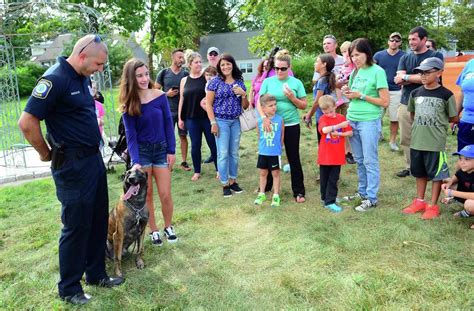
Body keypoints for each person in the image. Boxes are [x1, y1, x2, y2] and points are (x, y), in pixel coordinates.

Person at [18, 34, 123, 305]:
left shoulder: (82, 77)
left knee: (98, 219)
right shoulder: (55, 79)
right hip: (72, 164)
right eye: (99, 64)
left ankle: (96, 274)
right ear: (83, 55)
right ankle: (69, 288)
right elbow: (27, 122)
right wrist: (45, 153)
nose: (101, 69)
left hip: (93, 159)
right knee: (76, 225)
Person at [119, 58, 178, 246]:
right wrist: (135, 161)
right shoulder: (128, 104)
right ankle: (154, 230)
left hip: (161, 150)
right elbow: (131, 136)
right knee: (148, 195)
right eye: (139, 76)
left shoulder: (159, 95)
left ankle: (168, 226)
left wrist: (171, 150)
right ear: (131, 78)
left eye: (146, 74)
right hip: (142, 153)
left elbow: (169, 125)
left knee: (165, 193)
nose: (144, 79)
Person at [401, 57, 458, 219]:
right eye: (420, 73)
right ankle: (419, 201)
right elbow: (412, 114)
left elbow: (453, 117)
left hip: (435, 143)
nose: (423, 76)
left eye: (427, 72)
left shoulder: (446, 95)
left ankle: (433, 205)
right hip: (417, 141)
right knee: (419, 173)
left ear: (439, 73)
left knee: (436, 175)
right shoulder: (415, 93)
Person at [341, 38, 389, 212]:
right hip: (352, 118)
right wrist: (348, 93)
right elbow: (353, 96)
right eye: (352, 55)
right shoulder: (355, 72)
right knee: (359, 160)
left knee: (370, 160)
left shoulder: (378, 72)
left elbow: (384, 102)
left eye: (357, 55)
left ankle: (372, 198)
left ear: (367, 54)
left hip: (368, 121)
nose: (354, 59)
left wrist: (361, 96)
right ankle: (362, 193)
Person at [394, 26, 444, 178]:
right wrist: (421, 77)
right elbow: (397, 80)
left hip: (430, 102)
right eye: (409, 39)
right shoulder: (405, 58)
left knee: (429, 136)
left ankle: (431, 168)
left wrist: (407, 77)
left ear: (424, 39)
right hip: (406, 102)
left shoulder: (435, 55)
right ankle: (411, 167)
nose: (411, 42)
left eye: (414, 39)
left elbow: (433, 78)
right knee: (406, 137)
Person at [259, 51, 307, 203]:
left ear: (289, 67)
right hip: (271, 126)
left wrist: (292, 98)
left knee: (293, 157)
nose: (279, 71)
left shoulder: (296, 83)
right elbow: (260, 103)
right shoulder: (268, 82)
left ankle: (298, 191)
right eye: (276, 68)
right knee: (269, 156)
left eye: (283, 68)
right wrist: (264, 118)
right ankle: (266, 187)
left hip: (291, 124)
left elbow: (304, 105)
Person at [206, 53, 249, 197]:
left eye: (228, 64)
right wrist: (213, 123)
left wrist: (243, 94)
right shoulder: (215, 82)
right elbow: (209, 105)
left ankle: (233, 181)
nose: (225, 67)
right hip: (220, 121)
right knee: (223, 153)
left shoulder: (239, 81)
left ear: (233, 65)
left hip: (235, 121)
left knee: (234, 153)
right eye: (223, 64)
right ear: (219, 67)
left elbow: (245, 106)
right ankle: (224, 184)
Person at [178, 52, 217, 181]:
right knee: (195, 145)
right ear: (189, 64)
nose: (199, 64)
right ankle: (197, 171)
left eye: (200, 62)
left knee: (212, 143)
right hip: (191, 118)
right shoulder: (184, 80)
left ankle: (219, 170)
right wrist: (180, 118)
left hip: (206, 117)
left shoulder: (206, 77)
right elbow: (182, 100)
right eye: (196, 62)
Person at [156, 48, 191, 171]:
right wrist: (166, 94)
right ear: (173, 58)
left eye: (183, 57)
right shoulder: (164, 73)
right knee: (167, 137)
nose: (182, 59)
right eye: (179, 57)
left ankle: (184, 162)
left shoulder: (186, 74)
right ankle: (167, 163)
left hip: (182, 111)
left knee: (183, 136)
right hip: (167, 111)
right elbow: (155, 91)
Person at [317, 95, 352, 213]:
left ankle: (330, 199)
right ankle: (327, 200)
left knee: (333, 178)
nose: (329, 114)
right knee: (324, 178)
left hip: (337, 155)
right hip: (325, 155)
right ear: (322, 111)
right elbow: (324, 130)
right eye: (326, 112)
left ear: (335, 106)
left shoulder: (341, 117)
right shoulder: (323, 119)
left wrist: (340, 133)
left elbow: (350, 132)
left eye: (331, 111)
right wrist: (338, 127)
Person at [374, 32, 406, 152]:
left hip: (396, 91)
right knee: (377, 116)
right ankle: (378, 135)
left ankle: (392, 141)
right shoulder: (378, 55)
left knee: (394, 118)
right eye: (392, 40)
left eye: (397, 41)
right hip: (380, 91)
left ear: (400, 43)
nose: (394, 42)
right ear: (388, 41)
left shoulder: (404, 56)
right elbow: (372, 70)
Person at [254, 94, 284, 207]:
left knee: (275, 173)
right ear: (263, 108)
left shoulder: (280, 120)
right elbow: (259, 136)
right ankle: (262, 193)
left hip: (274, 152)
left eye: (275, 104)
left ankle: (276, 195)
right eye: (270, 105)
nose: (274, 107)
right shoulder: (259, 122)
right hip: (263, 152)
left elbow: (282, 136)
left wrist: (279, 149)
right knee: (263, 173)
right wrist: (261, 148)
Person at [302, 54, 336, 144]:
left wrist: (309, 116)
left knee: (324, 145)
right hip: (326, 117)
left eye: (317, 61)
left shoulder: (322, 80)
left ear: (324, 64)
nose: (314, 64)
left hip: (323, 118)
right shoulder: (326, 78)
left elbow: (317, 102)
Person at [442, 145, 474, 229]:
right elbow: (456, 177)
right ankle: (465, 210)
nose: (462, 162)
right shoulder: (464, 170)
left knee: (469, 204)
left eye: (467, 159)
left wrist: (452, 193)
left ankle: (468, 211)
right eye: (460, 158)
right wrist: (448, 184)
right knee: (445, 183)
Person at [455, 59, 474, 151]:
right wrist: (455, 115)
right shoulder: (470, 64)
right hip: (467, 121)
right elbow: (462, 91)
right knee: (464, 158)